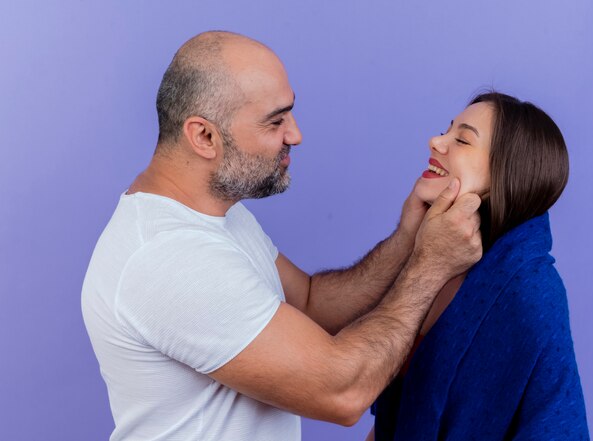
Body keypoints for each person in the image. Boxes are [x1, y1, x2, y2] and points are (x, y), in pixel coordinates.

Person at [81, 31, 483, 441]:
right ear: (204, 136)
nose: (295, 135)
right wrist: (430, 266)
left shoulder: (216, 213)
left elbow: (309, 302)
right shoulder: (170, 257)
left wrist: (409, 237)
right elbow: (342, 392)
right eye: (275, 121)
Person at [369, 92, 589, 440]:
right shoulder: (431, 262)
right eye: (447, 130)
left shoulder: (532, 291)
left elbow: (556, 423)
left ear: (507, 172)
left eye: (461, 139)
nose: (435, 141)